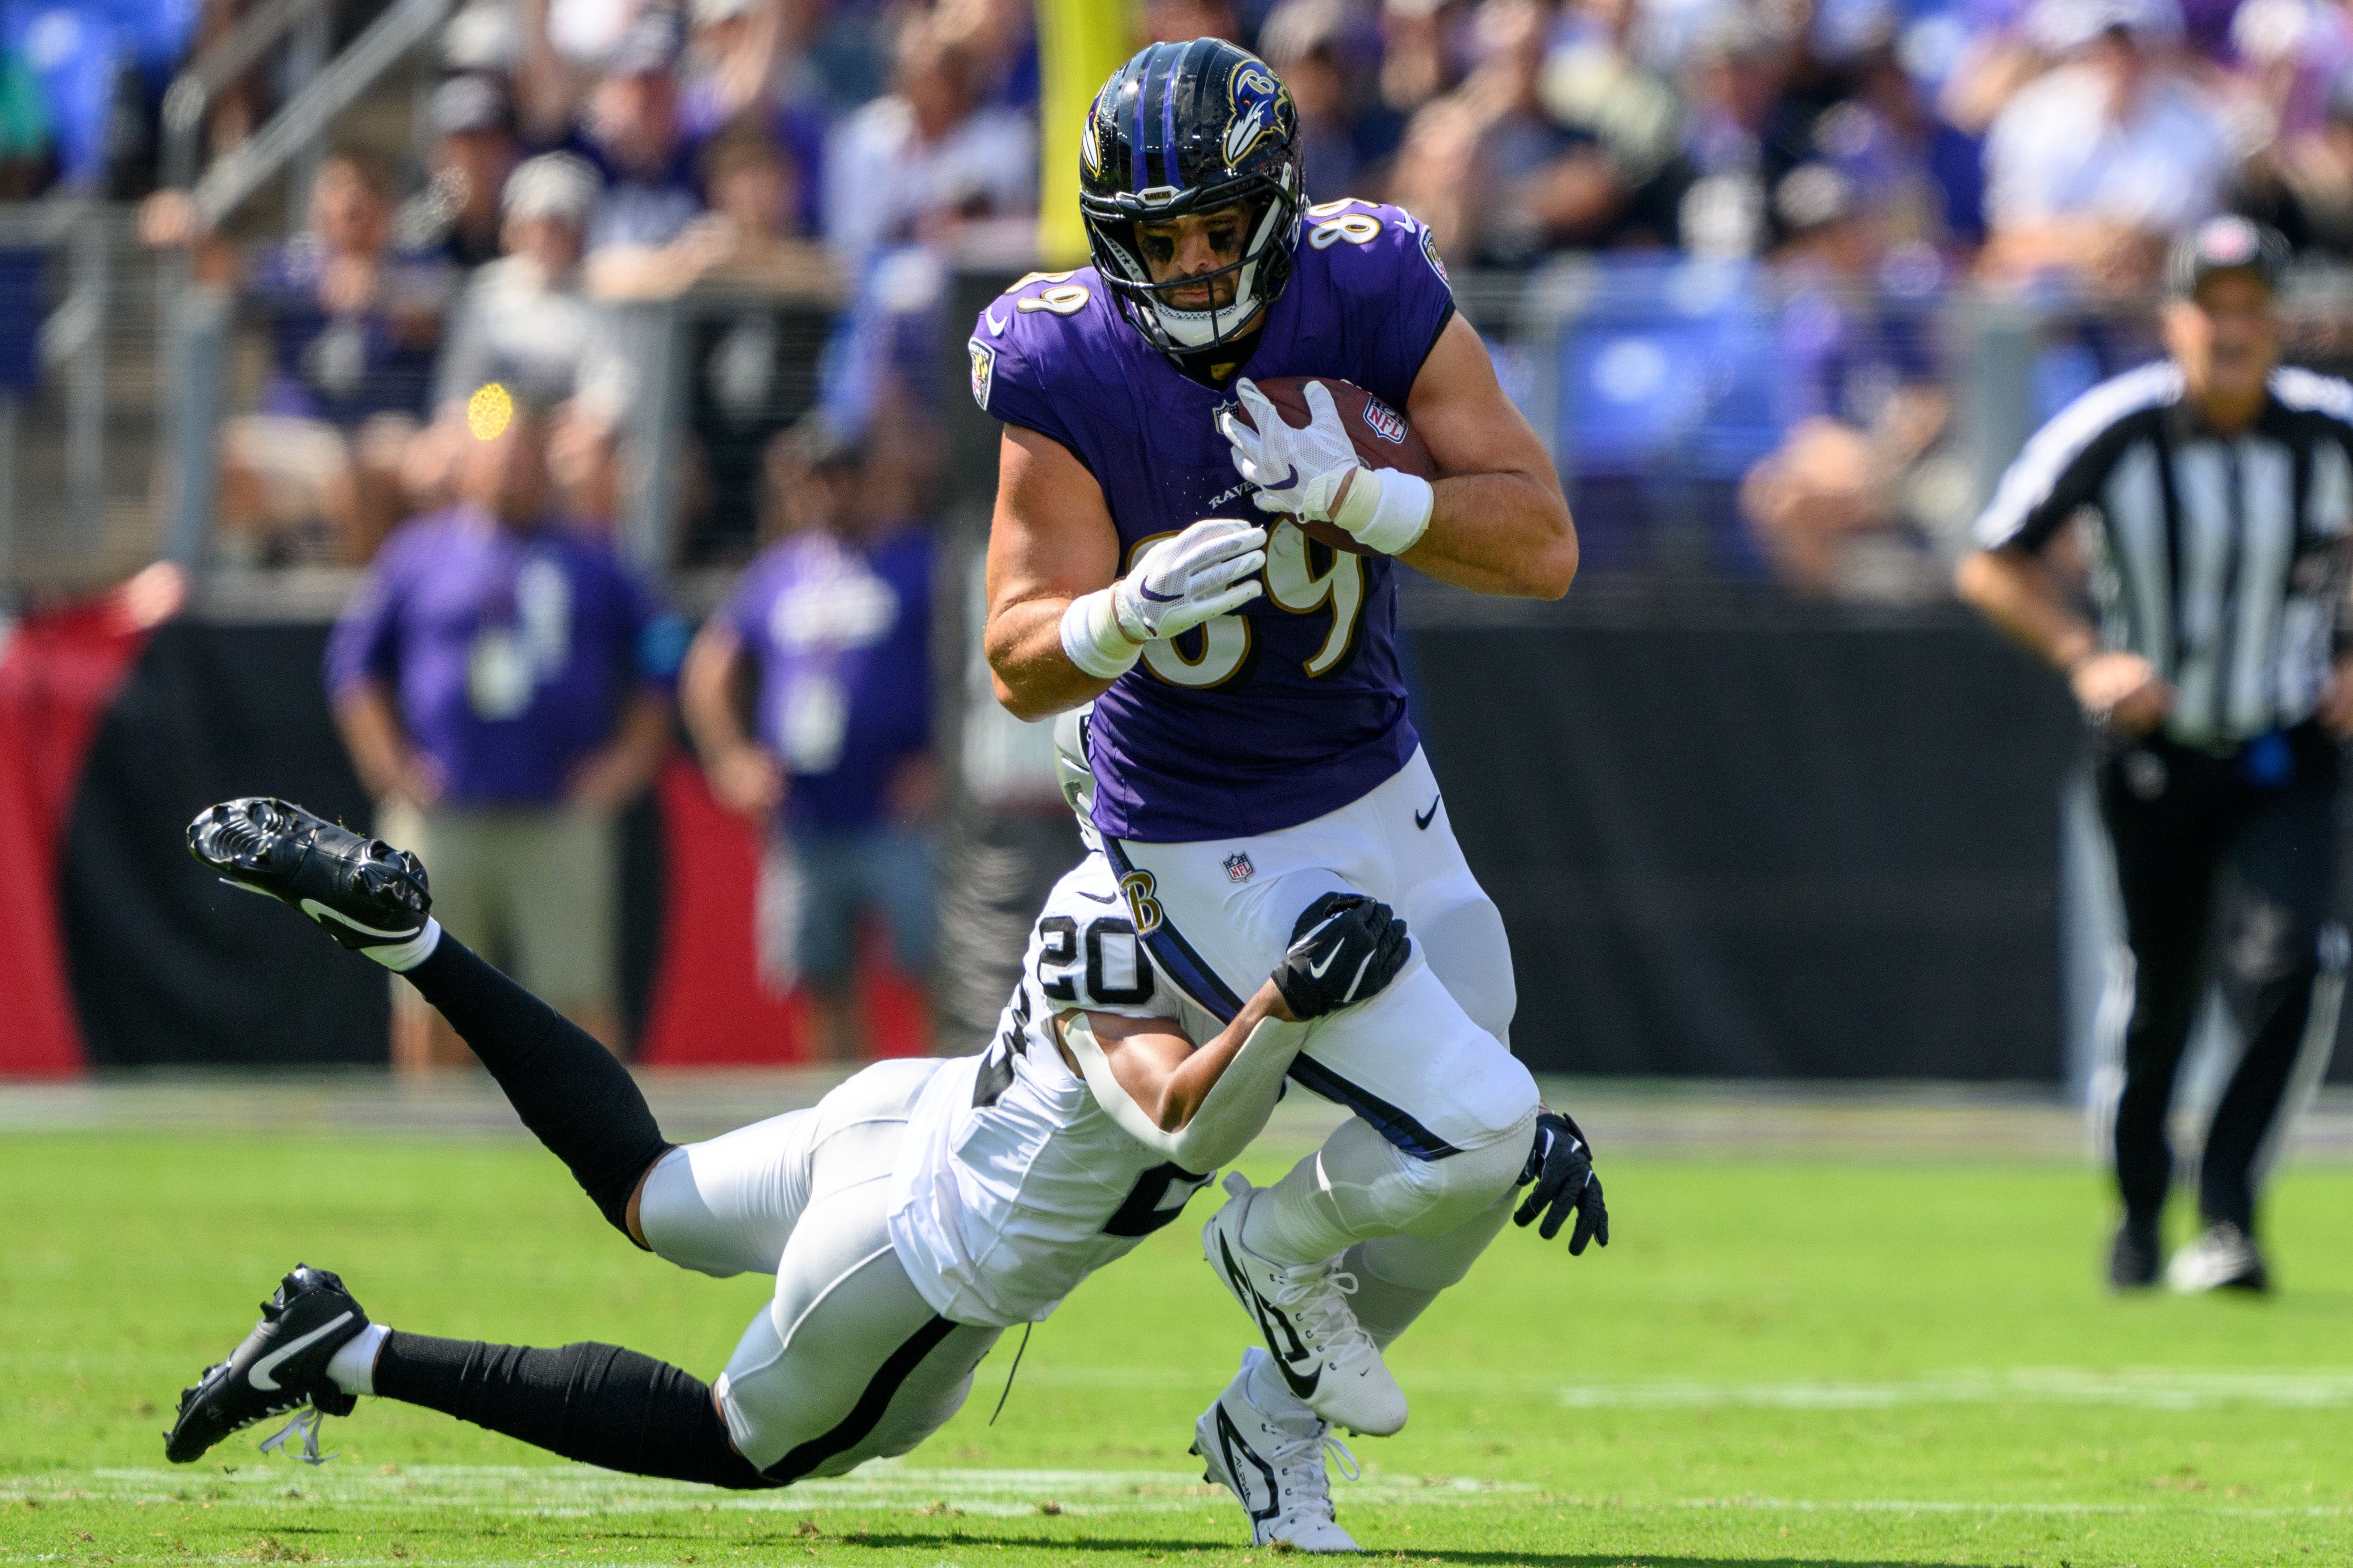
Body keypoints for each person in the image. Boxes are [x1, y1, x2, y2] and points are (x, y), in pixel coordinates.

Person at [162, 775, 1599, 1549]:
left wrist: (1507, 1113)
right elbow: (1184, 1115)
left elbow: (1360, 1047)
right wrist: (1280, 1001)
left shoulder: (1180, 880)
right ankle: (347, 1353)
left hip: (899, 1123)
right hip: (919, 1253)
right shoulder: (1134, 923)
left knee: (648, 1194)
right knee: (739, 1443)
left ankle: (417, 943)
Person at [974, 32, 1595, 1516]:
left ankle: (1266, 1418)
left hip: (1377, 775)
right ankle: (1264, 1248)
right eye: (1157, 240)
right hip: (1197, 828)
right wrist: (1117, 613)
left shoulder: (1369, 282)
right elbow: (1013, 659)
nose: (1190, 267)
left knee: (1453, 1164)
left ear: (1279, 209)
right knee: (1485, 1122)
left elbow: (1540, 544)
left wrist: (1373, 500)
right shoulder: (1060, 355)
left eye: (1215, 231)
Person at [1955, 216, 2353, 1294]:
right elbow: (1992, 562)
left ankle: (2225, 1209)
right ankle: (2139, 1207)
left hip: (2284, 748)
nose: (2229, 331)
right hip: (2154, 750)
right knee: (2161, 993)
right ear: (2174, 320)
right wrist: (2087, 657)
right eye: (2209, 308)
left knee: (2296, 965)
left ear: (2279, 324)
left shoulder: (2329, 431)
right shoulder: (2117, 428)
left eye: (2249, 311)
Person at [324, 395, 676, 1069]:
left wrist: (627, 763)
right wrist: (391, 765)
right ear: (467, 463)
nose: (512, 473)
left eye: (524, 457)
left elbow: (660, 659)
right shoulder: (417, 554)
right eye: (498, 457)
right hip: (445, 809)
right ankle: (431, 1155)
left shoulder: (593, 556)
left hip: (556, 812)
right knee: (430, 993)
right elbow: (353, 669)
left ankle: (607, 1151)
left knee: (576, 993)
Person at [679, 420, 937, 1063]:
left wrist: (943, 765)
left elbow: (975, 669)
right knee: (821, 977)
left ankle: (948, 1110)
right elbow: (711, 669)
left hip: (895, 808)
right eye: (816, 479)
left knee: (929, 968)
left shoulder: (918, 560)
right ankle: (839, 1114)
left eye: (845, 476)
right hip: (804, 813)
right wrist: (731, 759)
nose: (832, 492)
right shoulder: (777, 573)